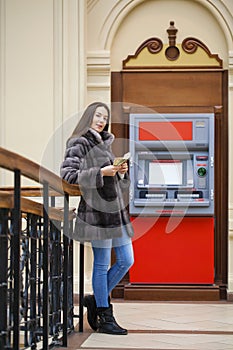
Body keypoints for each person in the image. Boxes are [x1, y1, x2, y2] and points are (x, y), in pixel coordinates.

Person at [60, 102, 134, 335]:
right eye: (97, 116)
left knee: (126, 260)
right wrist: (101, 173)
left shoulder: (105, 144)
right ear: (88, 117)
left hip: (115, 213)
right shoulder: (79, 142)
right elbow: (68, 175)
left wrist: (121, 173)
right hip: (96, 213)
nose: (101, 120)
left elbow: (118, 185)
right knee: (101, 265)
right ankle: (104, 314)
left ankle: (94, 300)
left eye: (105, 117)